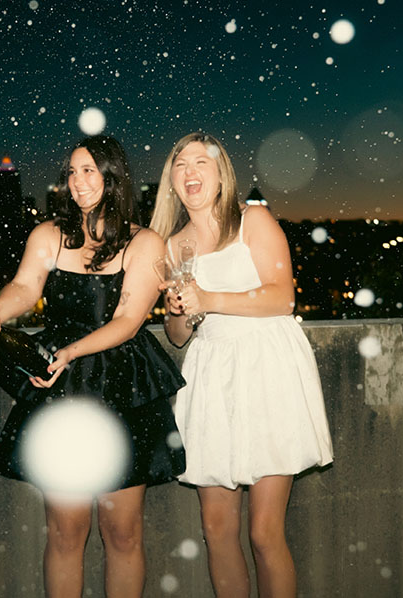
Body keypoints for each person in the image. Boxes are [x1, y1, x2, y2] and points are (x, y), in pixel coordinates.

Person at [0, 135, 186, 598]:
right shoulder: (48, 234)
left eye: (89, 170)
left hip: (123, 386)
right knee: (66, 532)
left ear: (112, 177)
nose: (77, 181)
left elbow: (128, 322)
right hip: (61, 392)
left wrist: (68, 353)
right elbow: (25, 289)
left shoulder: (145, 242)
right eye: (71, 172)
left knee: (122, 533)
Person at [150, 132, 333, 598]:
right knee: (216, 529)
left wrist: (208, 297)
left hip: (267, 370)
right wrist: (177, 311)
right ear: (171, 179)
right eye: (180, 164)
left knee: (264, 531)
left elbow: (281, 296)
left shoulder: (253, 220)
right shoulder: (172, 248)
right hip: (211, 376)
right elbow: (178, 336)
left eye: (201, 163)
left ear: (221, 173)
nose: (190, 172)